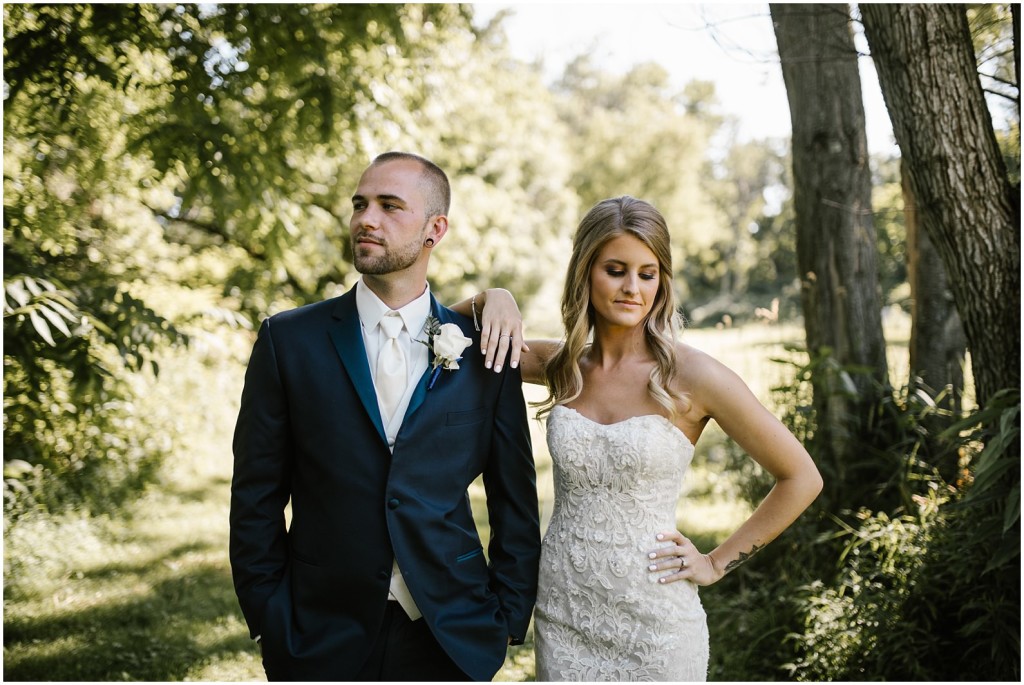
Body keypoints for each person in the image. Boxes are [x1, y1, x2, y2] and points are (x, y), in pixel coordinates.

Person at [458, 195, 823, 681]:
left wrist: (715, 564)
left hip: (656, 624)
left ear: (662, 281)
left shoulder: (694, 375)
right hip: (564, 610)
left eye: (647, 274)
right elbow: (444, 333)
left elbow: (801, 477)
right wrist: (492, 298)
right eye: (615, 270)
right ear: (586, 272)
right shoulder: (561, 365)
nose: (633, 288)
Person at [229, 151, 541, 681]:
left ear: (434, 229)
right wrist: (268, 613)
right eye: (359, 204)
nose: (365, 219)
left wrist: (506, 617)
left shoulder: (484, 351)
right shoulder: (288, 341)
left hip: (450, 633)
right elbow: (255, 494)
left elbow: (515, 499)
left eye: (390, 206)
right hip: (318, 632)